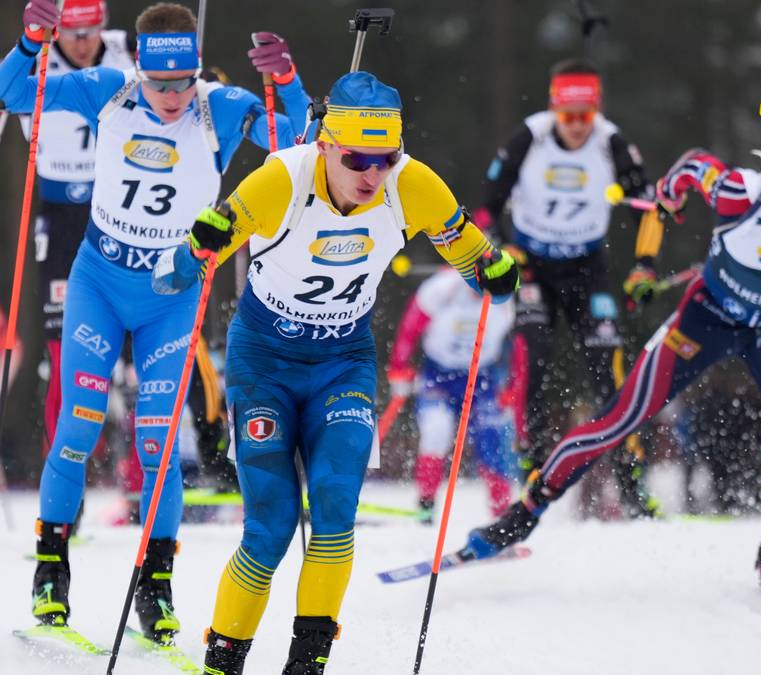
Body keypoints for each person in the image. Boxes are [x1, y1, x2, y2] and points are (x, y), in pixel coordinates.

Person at [154, 71, 520, 675]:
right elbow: (187, 264)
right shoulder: (282, 179)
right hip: (264, 361)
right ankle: (224, 661)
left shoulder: (413, 185)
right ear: (326, 144)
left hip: (343, 361)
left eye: (387, 158)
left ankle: (308, 663)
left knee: (333, 510)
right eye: (359, 159)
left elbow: (474, 258)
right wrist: (195, 249)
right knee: (270, 527)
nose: (374, 174)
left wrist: (495, 275)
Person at [1, 0, 309, 645]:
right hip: (100, 282)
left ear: (195, 71)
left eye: (181, 82)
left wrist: (285, 82)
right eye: (158, 83)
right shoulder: (107, 91)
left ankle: (156, 586)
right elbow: (10, 91)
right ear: (139, 69)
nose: (170, 98)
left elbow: (295, 141)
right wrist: (32, 42)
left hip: (173, 293)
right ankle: (51, 569)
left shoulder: (217, 105)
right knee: (78, 427)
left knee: (158, 445)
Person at [458, 131, 761, 599]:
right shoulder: (737, 191)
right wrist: (670, 196)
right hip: (705, 320)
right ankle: (522, 516)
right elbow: (695, 160)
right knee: (618, 418)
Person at [477, 58, 659, 516]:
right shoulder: (529, 137)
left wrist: (644, 266)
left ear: (596, 109)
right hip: (533, 264)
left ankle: (631, 479)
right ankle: (531, 466)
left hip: (587, 267)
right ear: (554, 109)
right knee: (532, 358)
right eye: (568, 116)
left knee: (608, 368)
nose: (577, 126)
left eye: (586, 116)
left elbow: (649, 209)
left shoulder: (610, 141)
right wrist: (498, 249)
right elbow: (486, 207)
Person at [15, 0, 133, 454]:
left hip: (121, 211)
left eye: (91, 32)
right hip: (60, 217)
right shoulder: (34, 57)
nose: (82, 45)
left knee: (135, 356)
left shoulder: (130, 49)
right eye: (72, 34)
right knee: (64, 358)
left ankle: (141, 478)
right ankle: (65, 484)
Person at [387, 267, 518, 522]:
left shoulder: (504, 296)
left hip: (481, 376)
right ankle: (426, 504)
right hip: (439, 374)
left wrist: (512, 387)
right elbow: (410, 326)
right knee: (436, 432)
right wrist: (399, 368)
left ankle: (503, 517)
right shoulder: (441, 288)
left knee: (490, 439)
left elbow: (517, 344)